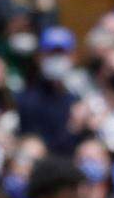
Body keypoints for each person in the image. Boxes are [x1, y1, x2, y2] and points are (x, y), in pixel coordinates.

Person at [17, 26, 83, 156]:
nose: (57, 58)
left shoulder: (76, 99)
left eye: (61, 53)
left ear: (74, 57)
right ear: (39, 56)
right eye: (51, 53)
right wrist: (73, 128)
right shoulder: (27, 99)